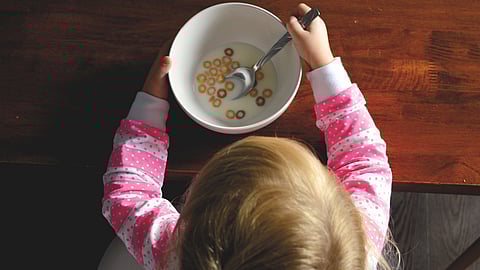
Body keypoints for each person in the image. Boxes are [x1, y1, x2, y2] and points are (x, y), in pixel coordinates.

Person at [101, 3, 400, 269]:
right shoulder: (357, 245)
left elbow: (128, 195)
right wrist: (323, 64)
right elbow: (364, 159)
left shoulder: (173, 250)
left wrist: (152, 99)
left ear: (193, 213)